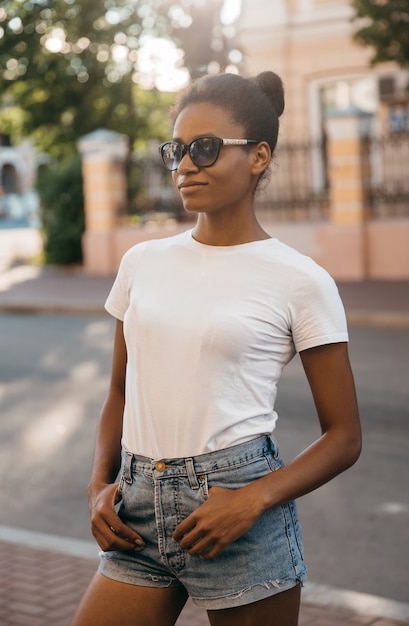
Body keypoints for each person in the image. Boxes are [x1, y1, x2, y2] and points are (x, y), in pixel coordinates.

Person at [71, 70, 361, 626]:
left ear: (258, 157)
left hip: (238, 511)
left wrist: (252, 500)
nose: (184, 164)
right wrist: (97, 485)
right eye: (177, 149)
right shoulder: (142, 263)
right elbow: (118, 390)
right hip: (135, 513)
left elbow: (345, 437)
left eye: (204, 149)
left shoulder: (301, 280)